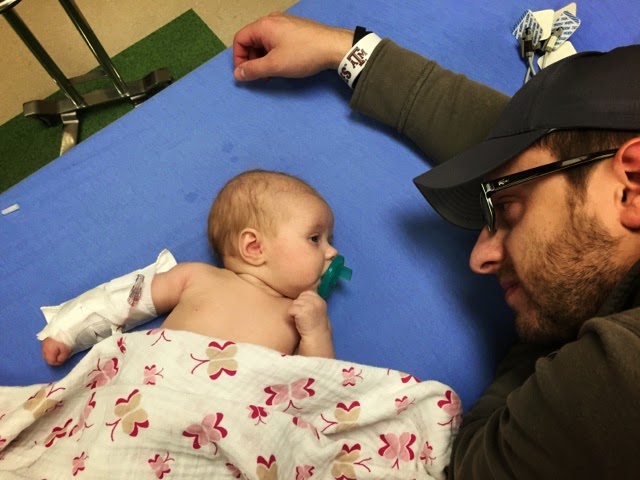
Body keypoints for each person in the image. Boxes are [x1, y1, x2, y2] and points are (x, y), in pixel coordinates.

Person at [231, 12, 640, 479]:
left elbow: (476, 463)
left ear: (632, 187)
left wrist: (556, 316)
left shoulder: (618, 375)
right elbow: (540, 149)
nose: (479, 257)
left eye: (509, 211)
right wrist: (349, 52)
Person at [41, 169, 339, 365]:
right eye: (315, 238)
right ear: (254, 247)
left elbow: (316, 386)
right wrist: (69, 330)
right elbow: (127, 298)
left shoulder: (298, 317)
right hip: (152, 392)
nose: (333, 252)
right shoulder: (197, 277)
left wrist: (317, 333)